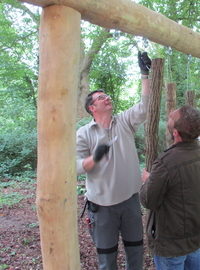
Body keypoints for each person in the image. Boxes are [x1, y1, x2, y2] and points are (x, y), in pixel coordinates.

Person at [76, 52, 152, 270]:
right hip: (102, 206)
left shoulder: (125, 122)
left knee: (135, 252)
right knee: (107, 259)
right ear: (92, 108)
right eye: (101, 98)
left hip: (130, 201)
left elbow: (145, 106)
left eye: (107, 95)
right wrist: (95, 158)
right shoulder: (83, 133)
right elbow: (75, 167)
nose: (107, 97)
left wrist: (144, 74)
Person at [140, 105, 200, 270]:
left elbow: (148, 200)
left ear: (176, 133)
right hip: (196, 235)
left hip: (172, 244)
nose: (169, 115)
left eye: (172, 117)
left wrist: (148, 181)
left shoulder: (166, 163)